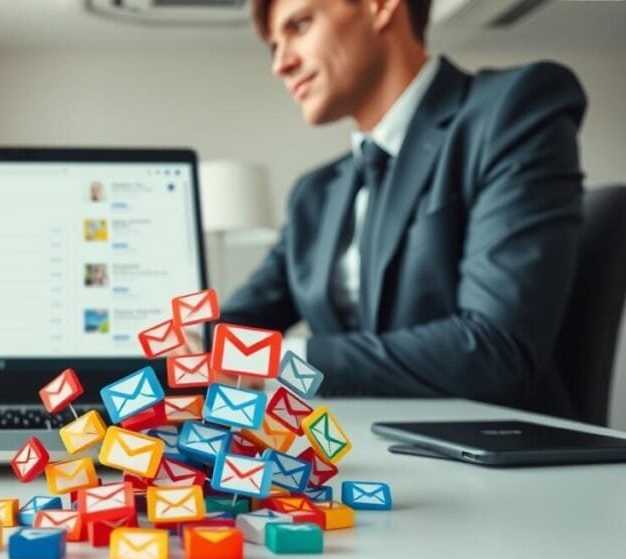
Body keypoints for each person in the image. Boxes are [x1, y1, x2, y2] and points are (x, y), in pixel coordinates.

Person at [202, 0, 588, 418]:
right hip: (355, 450)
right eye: (273, 46)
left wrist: (275, 362)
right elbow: (240, 323)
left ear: (381, 7)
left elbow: (495, 349)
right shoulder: (315, 193)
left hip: (494, 455)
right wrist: (188, 343)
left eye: (299, 25)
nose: (281, 64)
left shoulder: (514, 111)